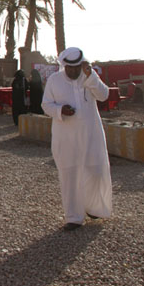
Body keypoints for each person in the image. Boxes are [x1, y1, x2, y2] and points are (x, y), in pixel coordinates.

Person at [42, 47, 112, 231]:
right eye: (70, 68)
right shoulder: (54, 80)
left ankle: (94, 207)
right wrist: (60, 110)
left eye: (77, 68)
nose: (74, 72)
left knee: (96, 169)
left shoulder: (89, 77)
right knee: (70, 175)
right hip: (66, 136)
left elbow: (104, 96)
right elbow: (45, 105)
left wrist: (91, 77)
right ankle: (74, 217)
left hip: (91, 134)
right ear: (64, 66)